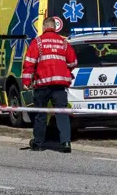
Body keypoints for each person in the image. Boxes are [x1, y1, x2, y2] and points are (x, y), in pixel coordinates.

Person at [22, 14, 77, 153]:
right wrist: (65, 69)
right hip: (59, 85)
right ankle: (65, 143)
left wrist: (26, 81)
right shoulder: (63, 42)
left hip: (42, 85)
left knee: (40, 114)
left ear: (44, 27)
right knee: (62, 113)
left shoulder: (38, 42)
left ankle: (39, 143)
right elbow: (73, 62)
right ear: (54, 27)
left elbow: (29, 63)